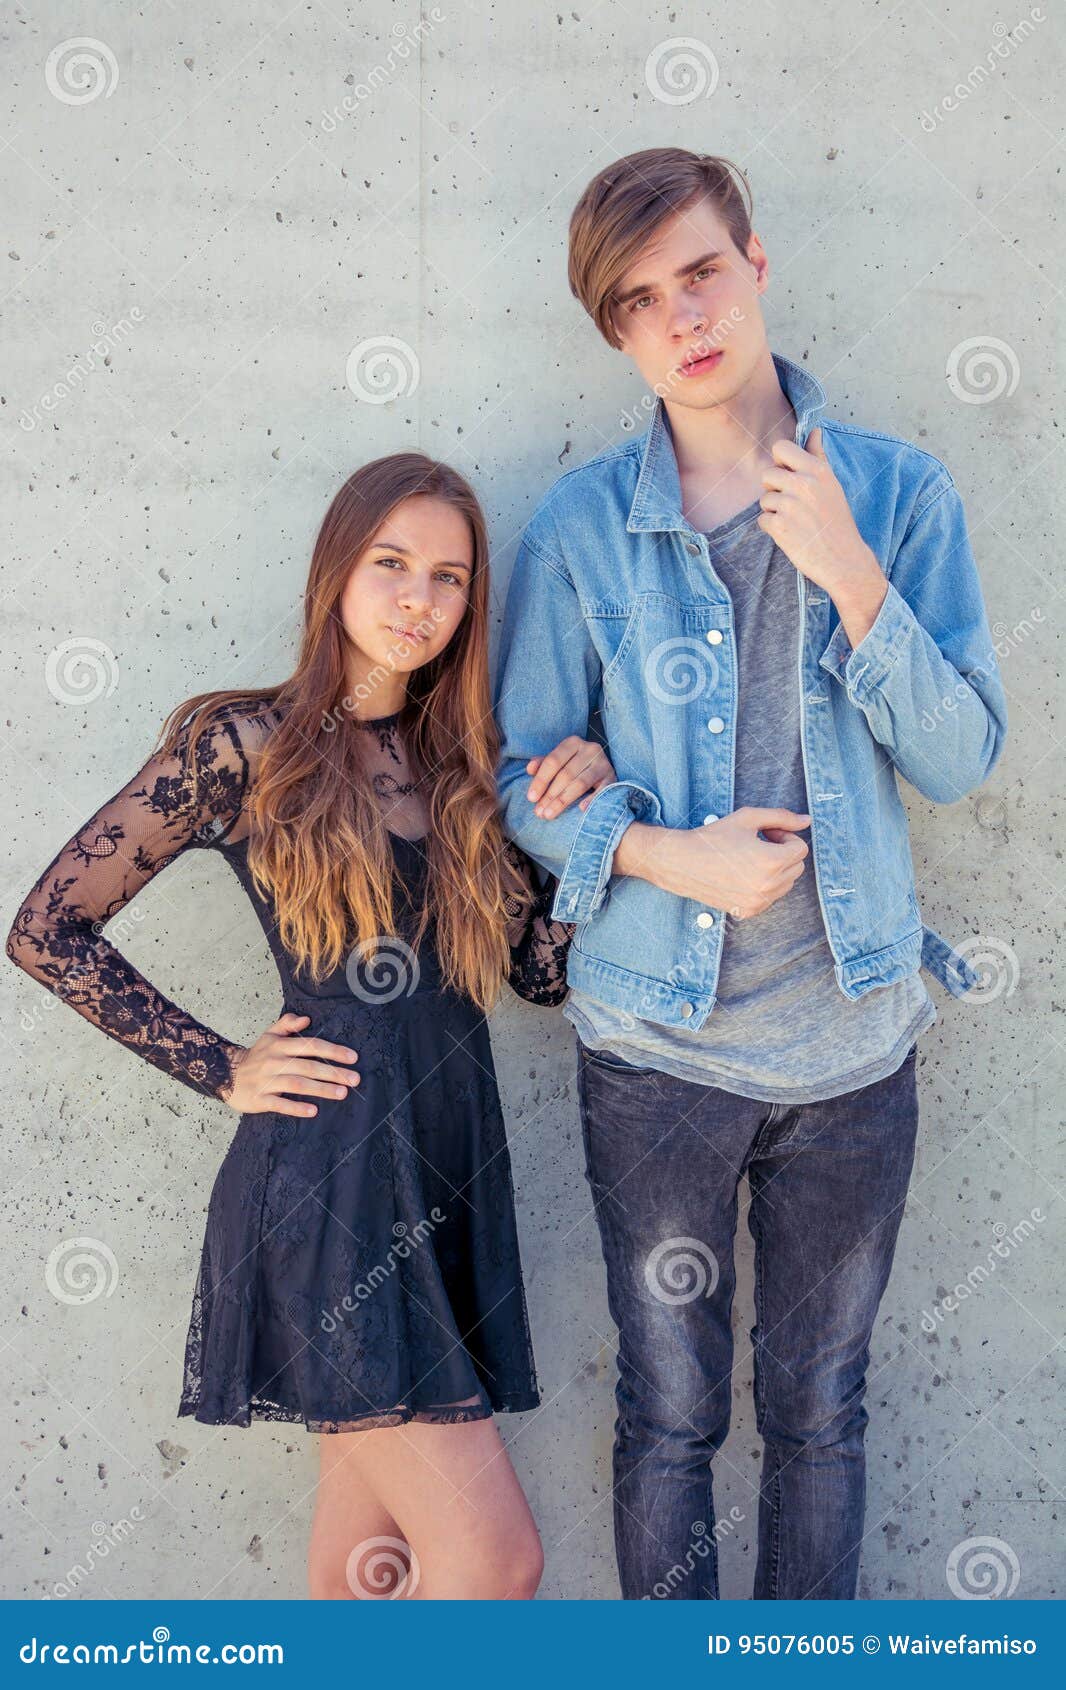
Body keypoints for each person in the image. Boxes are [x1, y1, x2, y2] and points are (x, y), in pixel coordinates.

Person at [493, 147, 1008, 1599]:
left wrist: (851, 572)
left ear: (756, 264)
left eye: (701, 271)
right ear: (615, 332)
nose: (683, 315)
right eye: (641, 299)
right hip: (653, 1050)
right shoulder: (581, 528)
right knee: (667, 1418)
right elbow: (512, 781)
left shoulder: (896, 494)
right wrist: (660, 851)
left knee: (819, 1415)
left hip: (852, 1045)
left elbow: (963, 753)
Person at [7, 451, 616, 1601]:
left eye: (448, 577)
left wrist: (584, 820)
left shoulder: (462, 770)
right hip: (326, 1189)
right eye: (390, 563)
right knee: (495, 1562)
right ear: (336, 569)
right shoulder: (241, 743)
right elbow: (47, 929)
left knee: (365, 1571)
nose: (416, 599)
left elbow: (539, 979)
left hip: (442, 1172)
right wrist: (223, 1065)